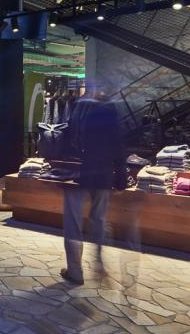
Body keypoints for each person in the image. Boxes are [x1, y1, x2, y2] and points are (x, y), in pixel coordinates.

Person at [61, 86, 127, 285]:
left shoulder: (78, 109)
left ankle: (75, 271)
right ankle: (98, 260)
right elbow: (118, 146)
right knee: (98, 219)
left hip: (79, 173)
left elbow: (67, 139)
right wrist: (121, 177)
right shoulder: (110, 113)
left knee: (73, 223)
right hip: (103, 174)